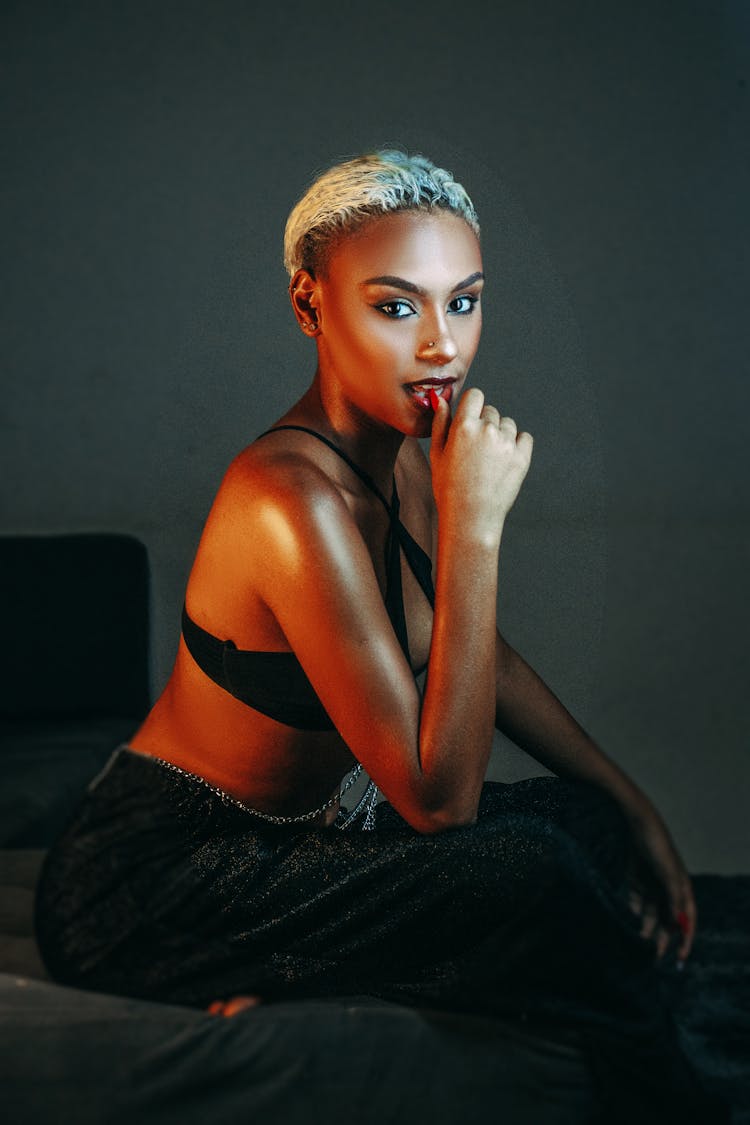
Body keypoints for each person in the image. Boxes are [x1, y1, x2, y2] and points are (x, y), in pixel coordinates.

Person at [35, 150, 725, 1121]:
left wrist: (634, 802)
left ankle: (324, 970)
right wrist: (476, 530)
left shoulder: (404, 455)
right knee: (525, 872)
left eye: (466, 301)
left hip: (321, 843)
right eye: (397, 307)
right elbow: (438, 805)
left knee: (587, 825)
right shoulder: (287, 499)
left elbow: (457, 645)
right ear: (311, 305)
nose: (441, 345)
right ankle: (668, 1081)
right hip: (162, 883)